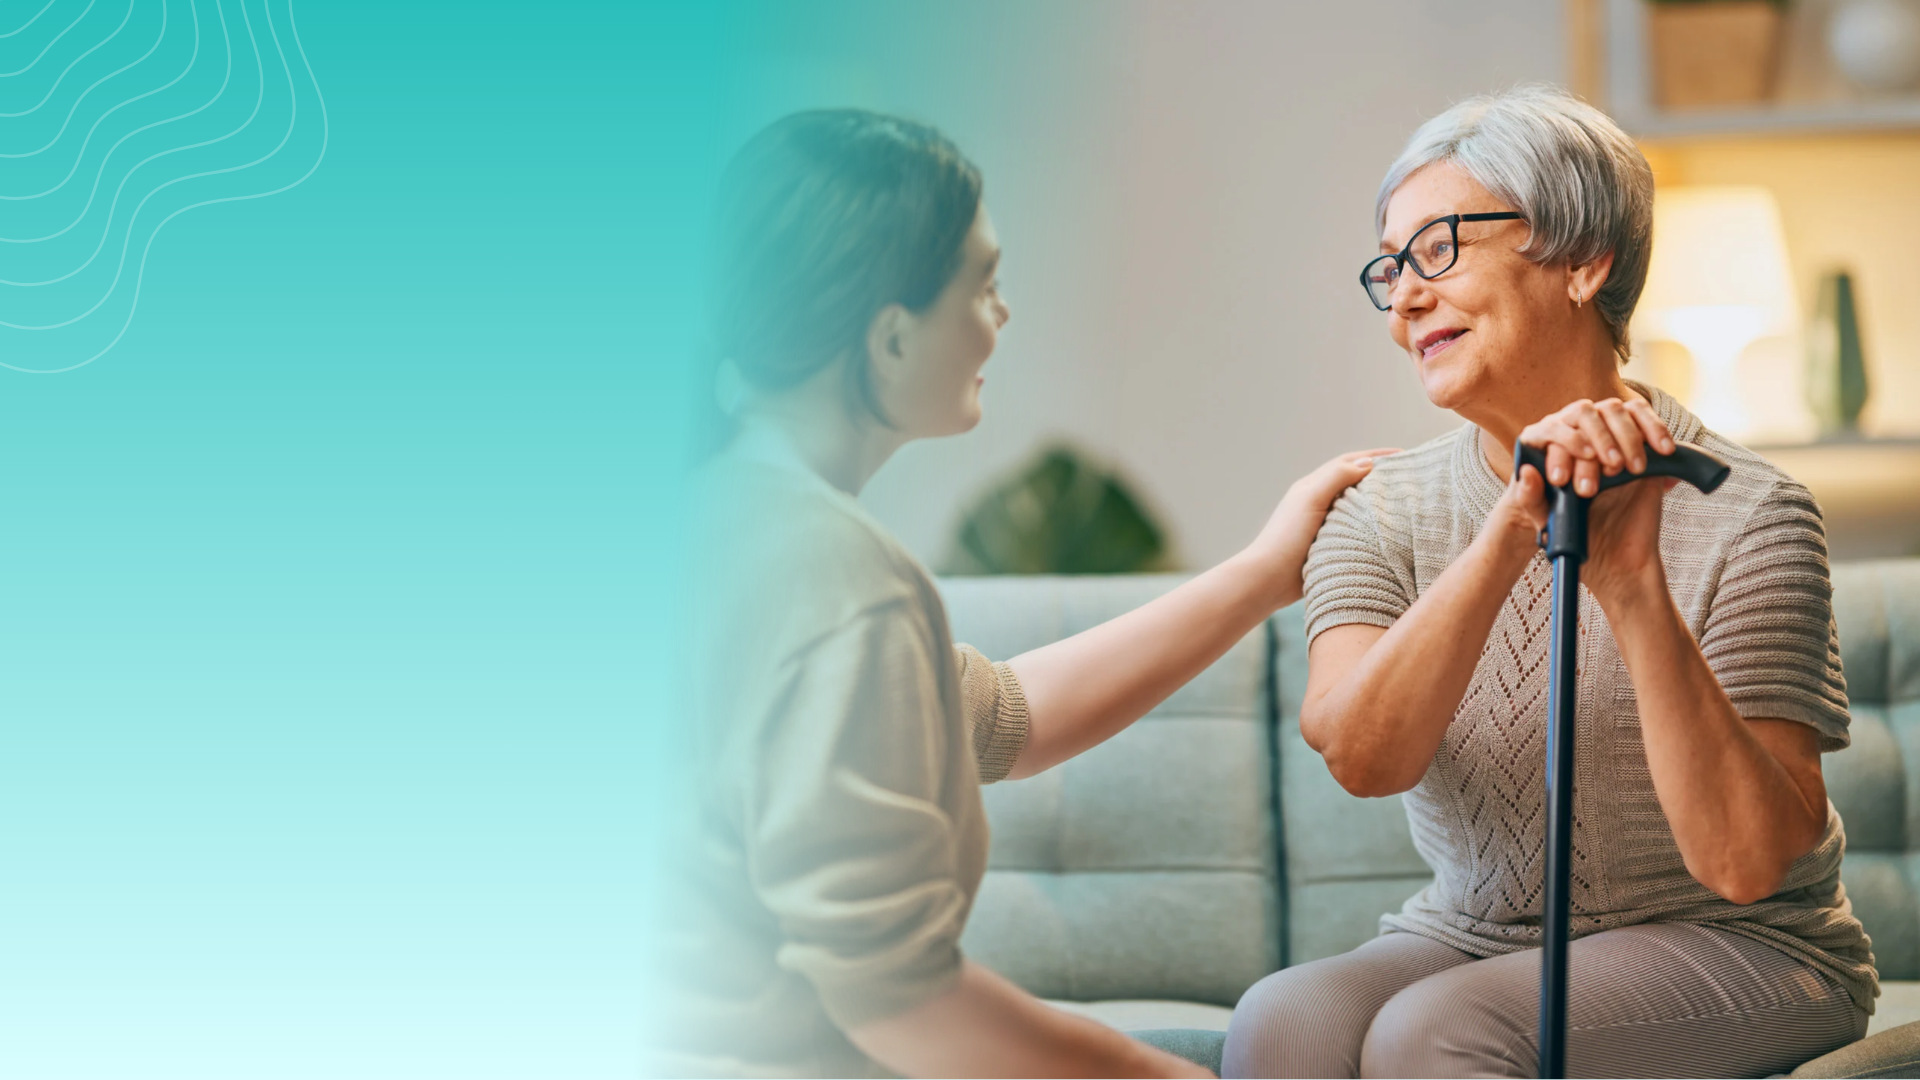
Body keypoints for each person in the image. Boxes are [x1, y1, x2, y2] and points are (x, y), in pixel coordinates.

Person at [647, 108, 1393, 1078]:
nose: (1001, 315)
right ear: (891, 337)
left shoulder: (724, 521)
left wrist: (1262, 573)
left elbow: (1002, 718)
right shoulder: (833, 575)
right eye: (983, 283)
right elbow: (896, 998)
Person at [1222, 85, 1878, 1079]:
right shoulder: (1378, 510)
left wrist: (1632, 582)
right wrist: (1512, 526)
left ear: (1584, 260)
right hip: (1473, 932)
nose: (1405, 298)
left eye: (1439, 248)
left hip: (1742, 943)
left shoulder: (1753, 511)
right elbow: (1363, 756)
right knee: (1281, 1024)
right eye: (1392, 267)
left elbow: (1746, 865)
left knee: (1435, 1032)